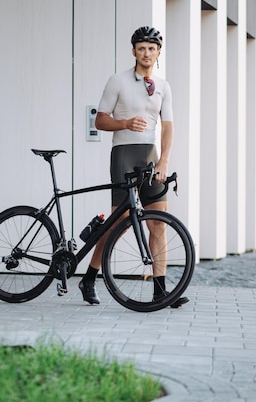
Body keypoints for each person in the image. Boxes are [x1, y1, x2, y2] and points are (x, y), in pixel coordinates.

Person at [78, 26, 189, 308]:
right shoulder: (118, 81)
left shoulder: (163, 86)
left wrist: (164, 161)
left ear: (158, 52)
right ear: (134, 52)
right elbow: (100, 121)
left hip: (151, 156)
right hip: (124, 153)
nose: (147, 53)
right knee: (118, 224)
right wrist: (125, 123)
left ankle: (160, 291)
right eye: (142, 48)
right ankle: (89, 277)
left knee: (158, 225)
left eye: (152, 48)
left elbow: (168, 128)